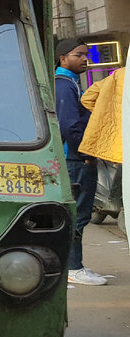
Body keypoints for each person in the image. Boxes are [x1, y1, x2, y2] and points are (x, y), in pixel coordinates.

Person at [55, 37, 104, 285]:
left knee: (77, 214)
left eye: (86, 54)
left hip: (76, 157)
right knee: (78, 215)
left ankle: (72, 266)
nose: (85, 59)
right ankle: (74, 268)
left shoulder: (72, 82)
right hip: (75, 160)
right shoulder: (64, 85)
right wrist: (87, 154)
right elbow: (69, 126)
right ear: (63, 58)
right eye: (79, 54)